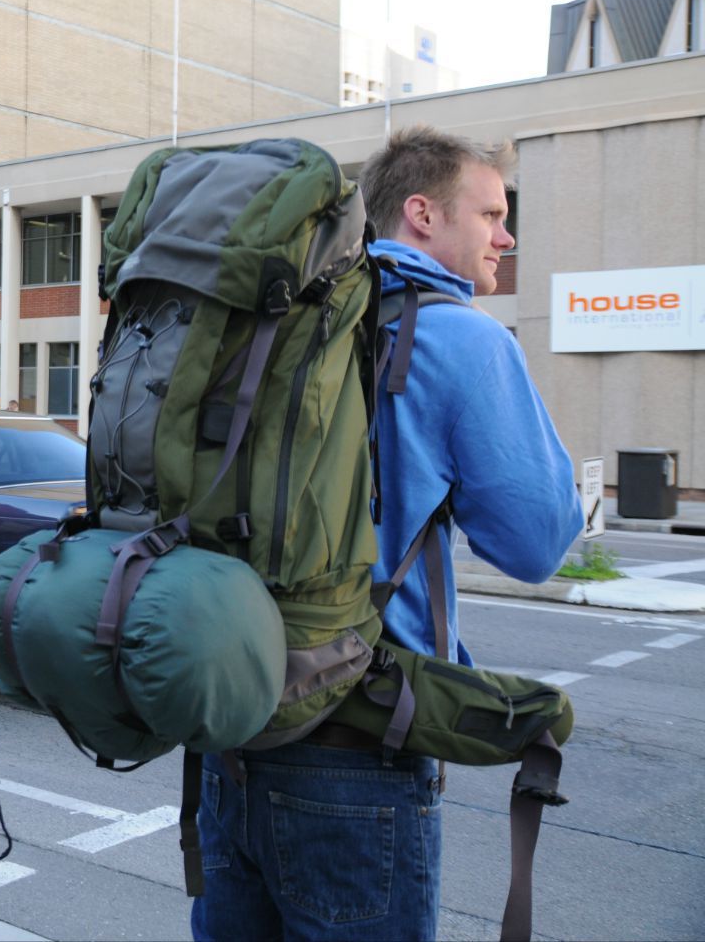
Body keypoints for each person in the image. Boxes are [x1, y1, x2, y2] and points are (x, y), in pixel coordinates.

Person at [191, 126, 583, 940]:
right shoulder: (462, 337)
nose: (506, 238)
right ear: (421, 215)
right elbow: (535, 543)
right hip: (359, 753)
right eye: (492, 214)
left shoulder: (275, 323)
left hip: (228, 734)